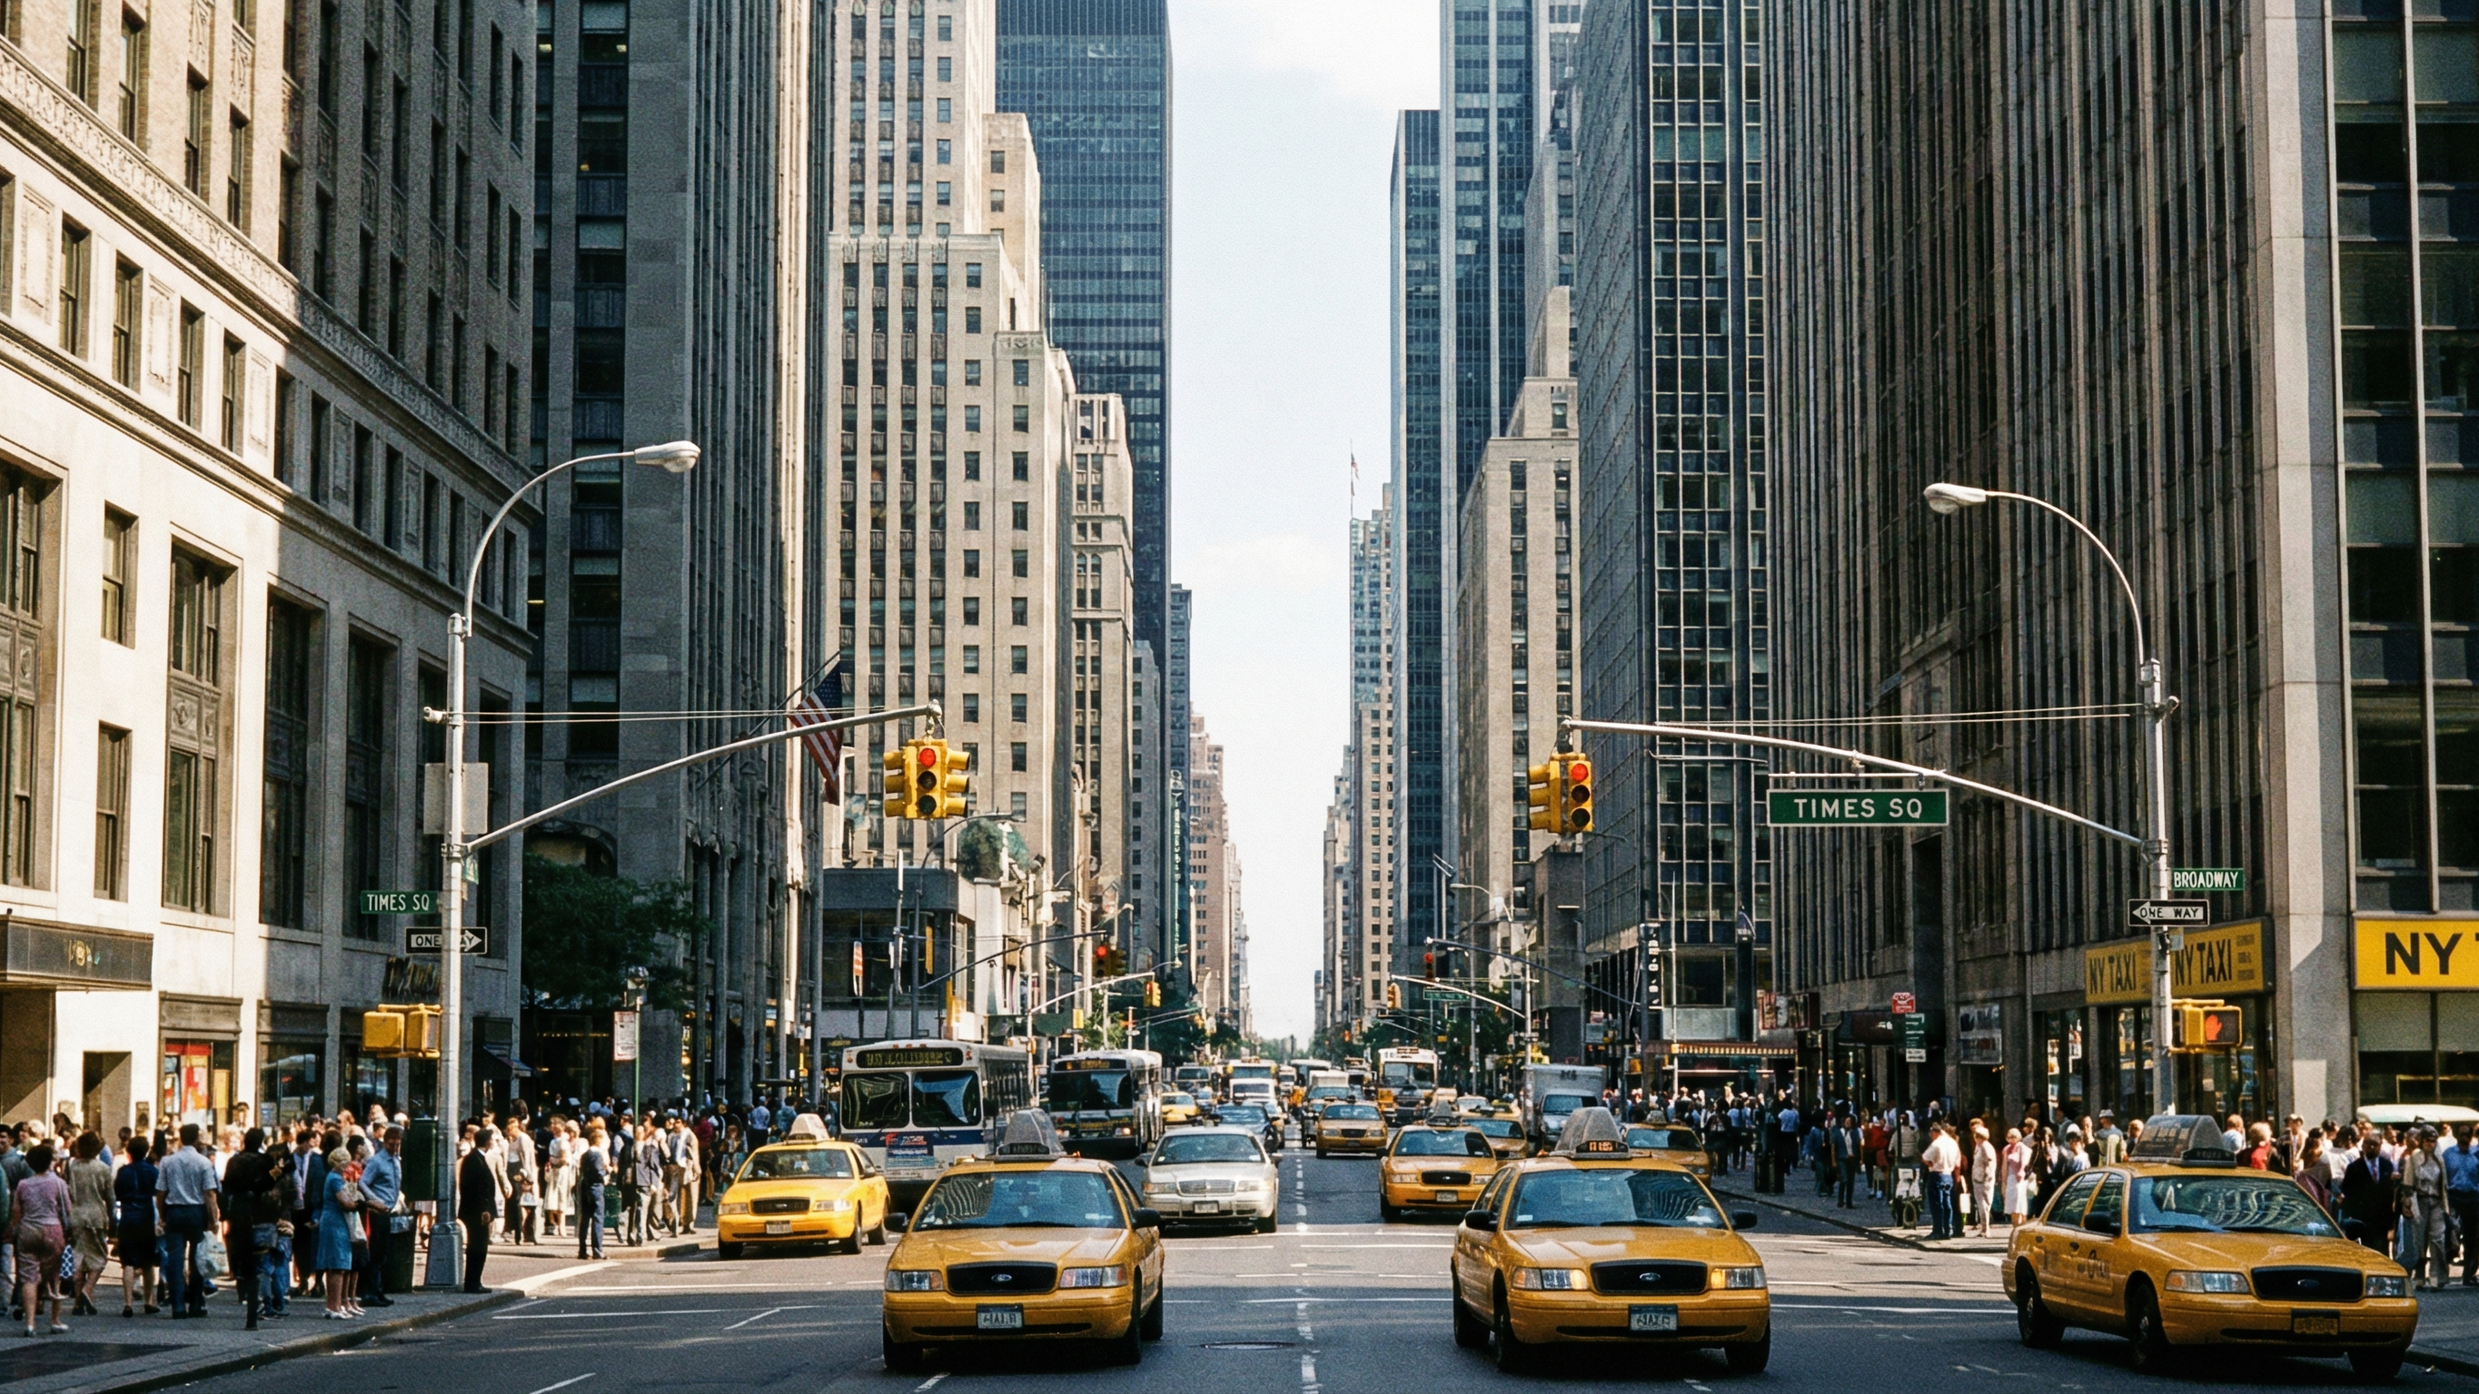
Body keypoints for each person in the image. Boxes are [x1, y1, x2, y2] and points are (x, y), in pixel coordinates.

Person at [153, 1124, 219, 1319]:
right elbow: (209, 1194)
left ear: (180, 1138)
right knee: (197, 1259)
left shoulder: (167, 1161)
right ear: (197, 1138)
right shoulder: (204, 1162)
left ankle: (178, 1305)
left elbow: (161, 1192)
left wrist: (162, 1215)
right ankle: (196, 1303)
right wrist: (213, 1219)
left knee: (175, 1259)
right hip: (196, 1212)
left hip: (174, 1211)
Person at [220, 1128, 280, 1330]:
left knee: (244, 1262)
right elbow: (272, 1185)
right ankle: (254, 1313)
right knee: (260, 1261)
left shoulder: (235, 1161)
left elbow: (226, 1187)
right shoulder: (266, 1161)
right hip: (260, 1213)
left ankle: (244, 1295)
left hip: (239, 1213)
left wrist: (225, 1215)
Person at [12, 1144, 68, 1336]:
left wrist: (15, 1230)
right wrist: (69, 1232)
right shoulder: (59, 1183)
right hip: (52, 1230)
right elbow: (66, 1212)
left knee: (29, 1278)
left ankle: (30, 1323)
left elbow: (16, 1212)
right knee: (54, 1276)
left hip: (28, 1230)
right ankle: (55, 1320)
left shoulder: (23, 1185)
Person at [64, 1135, 111, 1319]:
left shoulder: (71, 1166)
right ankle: (87, 1288)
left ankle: (78, 1301)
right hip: (96, 1215)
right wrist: (113, 1221)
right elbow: (110, 1196)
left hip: (75, 1215)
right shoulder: (103, 1168)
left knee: (78, 1257)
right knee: (99, 1256)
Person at [112, 1138, 157, 1317]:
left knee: (128, 1262)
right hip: (146, 1217)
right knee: (147, 1262)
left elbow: (117, 1193)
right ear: (146, 1151)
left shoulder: (124, 1171)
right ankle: (149, 1301)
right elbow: (158, 1191)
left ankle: (128, 1302)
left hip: (128, 1216)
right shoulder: (152, 1171)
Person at [2405, 1128, 2452, 1290]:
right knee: (2420, 1240)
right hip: (2420, 1201)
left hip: (2437, 1202)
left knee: (2438, 1238)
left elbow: (2444, 1184)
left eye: (2433, 1141)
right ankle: (2419, 1277)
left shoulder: (2440, 1159)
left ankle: (2437, 1277)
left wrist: (2447, 1208)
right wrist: (2408, 1204)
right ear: (2421, 1141)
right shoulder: (2414, 1158)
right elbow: (2408, 1184)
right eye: (2427, 1141)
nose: (2430, 1144)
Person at [2340, 1132, 2401, 1253]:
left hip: (2381, 1220)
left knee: (2382, 1253)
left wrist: (2391, 1221)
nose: (2371, 1147)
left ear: (2380, 1146)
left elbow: (2390, 1193)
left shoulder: (2387, 1165)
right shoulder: (2354, 1167)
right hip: (2362, 1219)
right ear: (2362, 1146)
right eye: (2368, 1143)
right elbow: (2347, 1191)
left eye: (2375, 1144)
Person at [457, 1136, 499, 1294]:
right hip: (476, 1212)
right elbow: (478, 1188)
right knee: (478, 1246)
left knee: (479, 1246)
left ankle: (475, 1281)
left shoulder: (476, 1158)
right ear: (487, 1141)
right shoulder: (474, 1160)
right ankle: (472, 1282)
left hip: (476, 1210)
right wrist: (484, 1209)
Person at [2447, 1124, 2479, 1288]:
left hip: (2472, 1198)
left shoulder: (2475, 1155)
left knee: (2472, 1239)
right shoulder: (2448, 1154)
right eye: (2462, 1134)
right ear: (2457, 1135)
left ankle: (2468, 1274)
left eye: (2468, 1135)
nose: (2465, 1138)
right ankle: (2443, 1274)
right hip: (2454, 1197)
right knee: (2450, 1235)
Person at [1921, 1121, 1963, 1241]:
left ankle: (1938, 1230)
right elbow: (1957, 1163)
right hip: (1948, 1175)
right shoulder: (1953, 1143)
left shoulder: (1937, 1143)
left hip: (1936, 1174)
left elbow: (1925, 1158)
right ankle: (1948, 1229)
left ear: (1934, 1132)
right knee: (1947, 1203)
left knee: (1936, 1204)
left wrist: (1931, 1164)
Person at [574, 1120, 609, 1259]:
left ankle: (582, 1249)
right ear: (598, 1140)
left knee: (585, 1219)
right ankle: (597, 1249)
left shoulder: (585, 1155)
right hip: (596, 1188)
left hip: (585, 1187)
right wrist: (605, 1177)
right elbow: (599, 1172)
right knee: (597, 1218)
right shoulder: (597, 1155)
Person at [1968, 1121, 1998, 1238]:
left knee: (1984, 1204)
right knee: (1981, 1204)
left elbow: (1990, 1163)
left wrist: (1986, 1177)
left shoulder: (1985, 1146)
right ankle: (1984, 1228)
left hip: (1983, 1179)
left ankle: (1986, 1229)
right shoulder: (1979, 1146)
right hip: (1978, 1178)